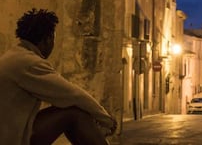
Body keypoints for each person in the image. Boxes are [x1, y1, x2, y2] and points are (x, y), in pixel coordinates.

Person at [0, 8, 117, 145]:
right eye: (54, 38)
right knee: (74, 113)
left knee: (72, 109)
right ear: (48, 39)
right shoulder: (29, 62)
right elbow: (73, 94)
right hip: (11, 138)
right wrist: (106, 120)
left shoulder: (15, 56)